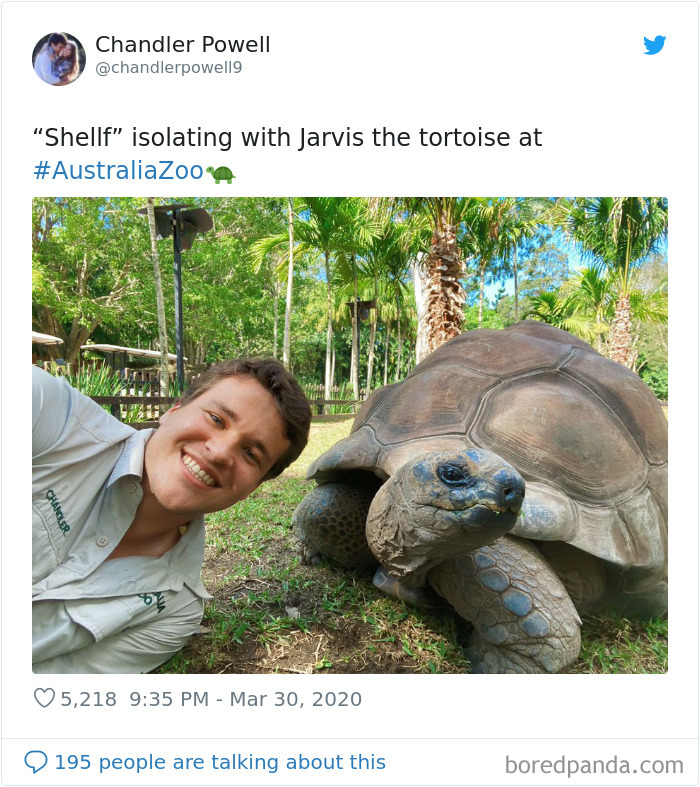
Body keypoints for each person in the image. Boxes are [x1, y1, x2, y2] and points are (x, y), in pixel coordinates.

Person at [32, 359, 312, 673]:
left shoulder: (174, 613)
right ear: (174, 409)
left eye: (250, 453)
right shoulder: (51, 415)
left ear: (253, 488)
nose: (220, 452)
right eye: (216, 419)